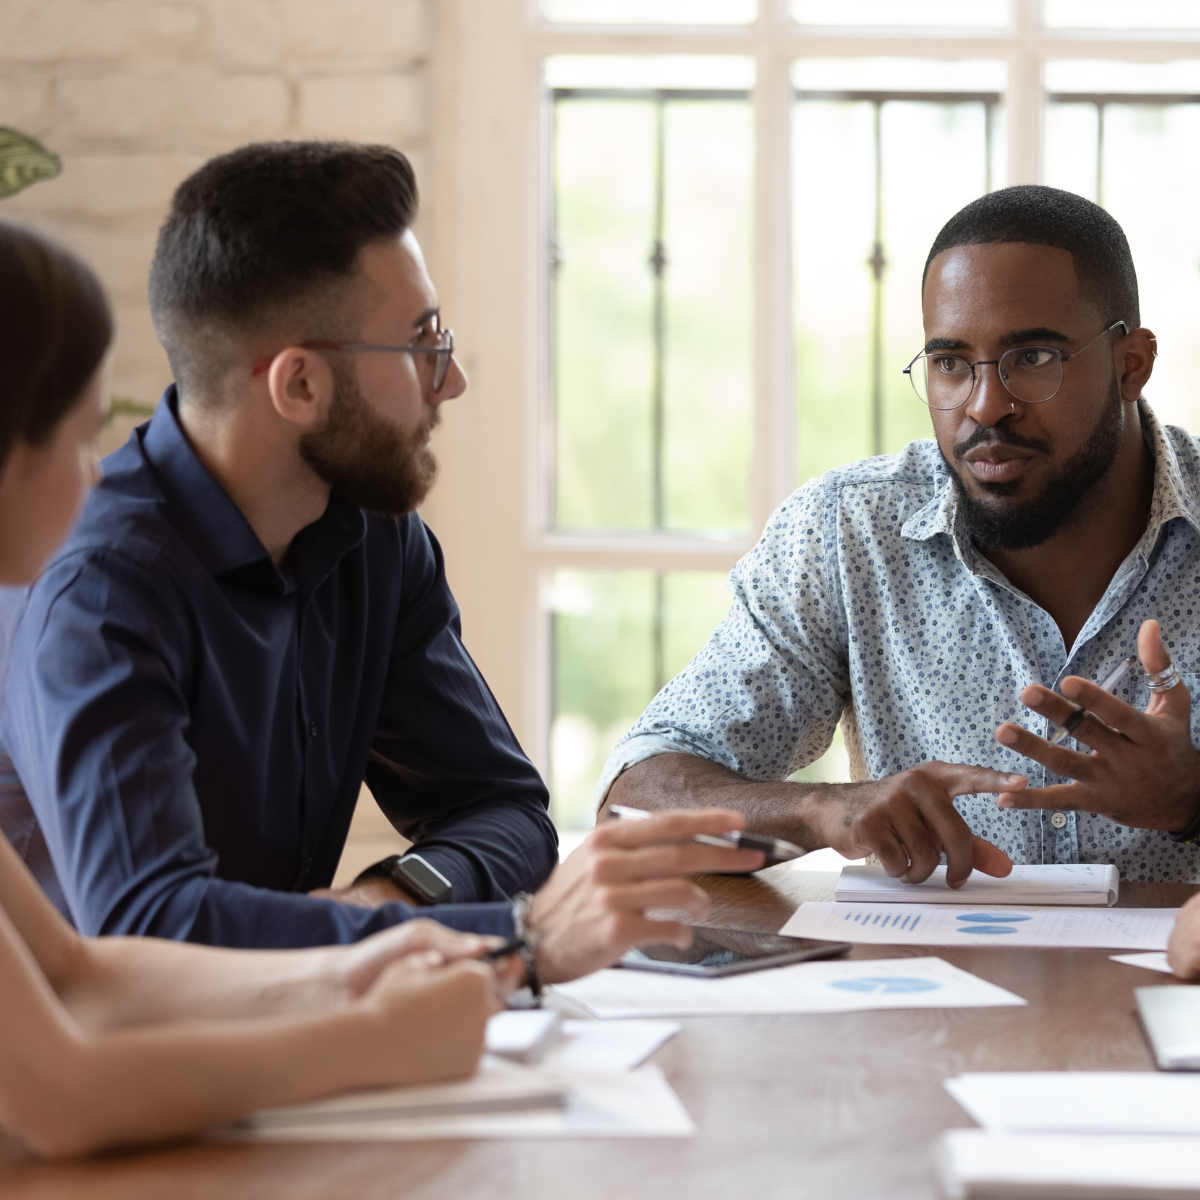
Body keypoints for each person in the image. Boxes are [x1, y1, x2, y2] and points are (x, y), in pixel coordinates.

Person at [0, 216, 761, 1154]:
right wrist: (383, 1028)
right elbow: (61, 1090)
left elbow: (80, 973)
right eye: (79, 439)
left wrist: (417, 937)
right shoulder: (96, 580)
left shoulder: (370, 538)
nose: (94, 477)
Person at [601, 184, 1200, 887]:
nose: (984, 406)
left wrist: (1190, 801)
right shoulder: (848, 533)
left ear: (1132, 364)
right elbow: (635, 794)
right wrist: (822, 809)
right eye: (950, 363)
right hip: (929, 990)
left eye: (1033, 357)